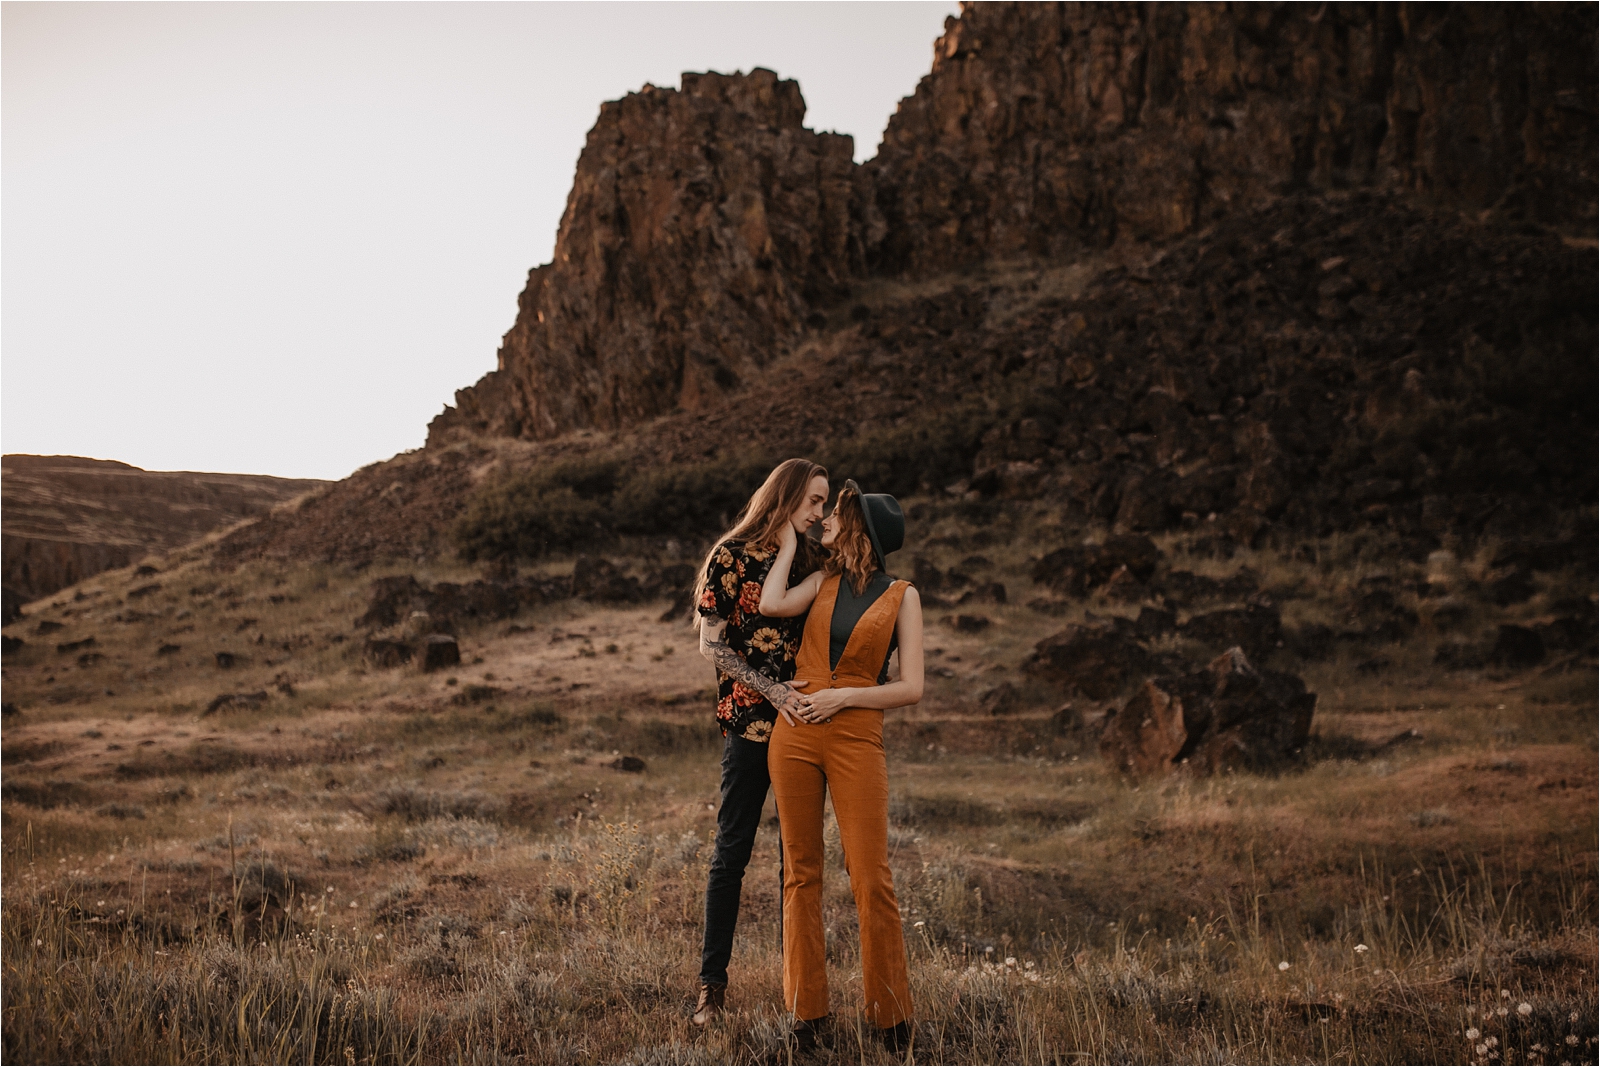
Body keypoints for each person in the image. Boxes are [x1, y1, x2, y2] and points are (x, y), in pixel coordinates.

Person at [757, 479, 922, 1053]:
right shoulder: (820, 580)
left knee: (871, 877)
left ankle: (890, 1018)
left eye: (835, 515)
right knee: (800, 874)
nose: (824, 521)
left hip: (855, 737)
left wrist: (844, 697)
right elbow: (770, 604)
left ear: (860, 531)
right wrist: (782, 549)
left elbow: (912, 688)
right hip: (796, 734)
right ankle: (807, 1015)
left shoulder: (903, 594)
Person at [690, 458, 830, 1027]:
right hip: (750, 723)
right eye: (814, 501)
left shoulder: (813, 560)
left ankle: (799, 990)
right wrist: (770, 689)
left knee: (797, 862)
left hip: (805, 724)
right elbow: (711, 646)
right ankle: (710, 987)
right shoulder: (731, 556)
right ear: (789, 494)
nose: (820, 513)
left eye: (824, 504)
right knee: (732, 854)